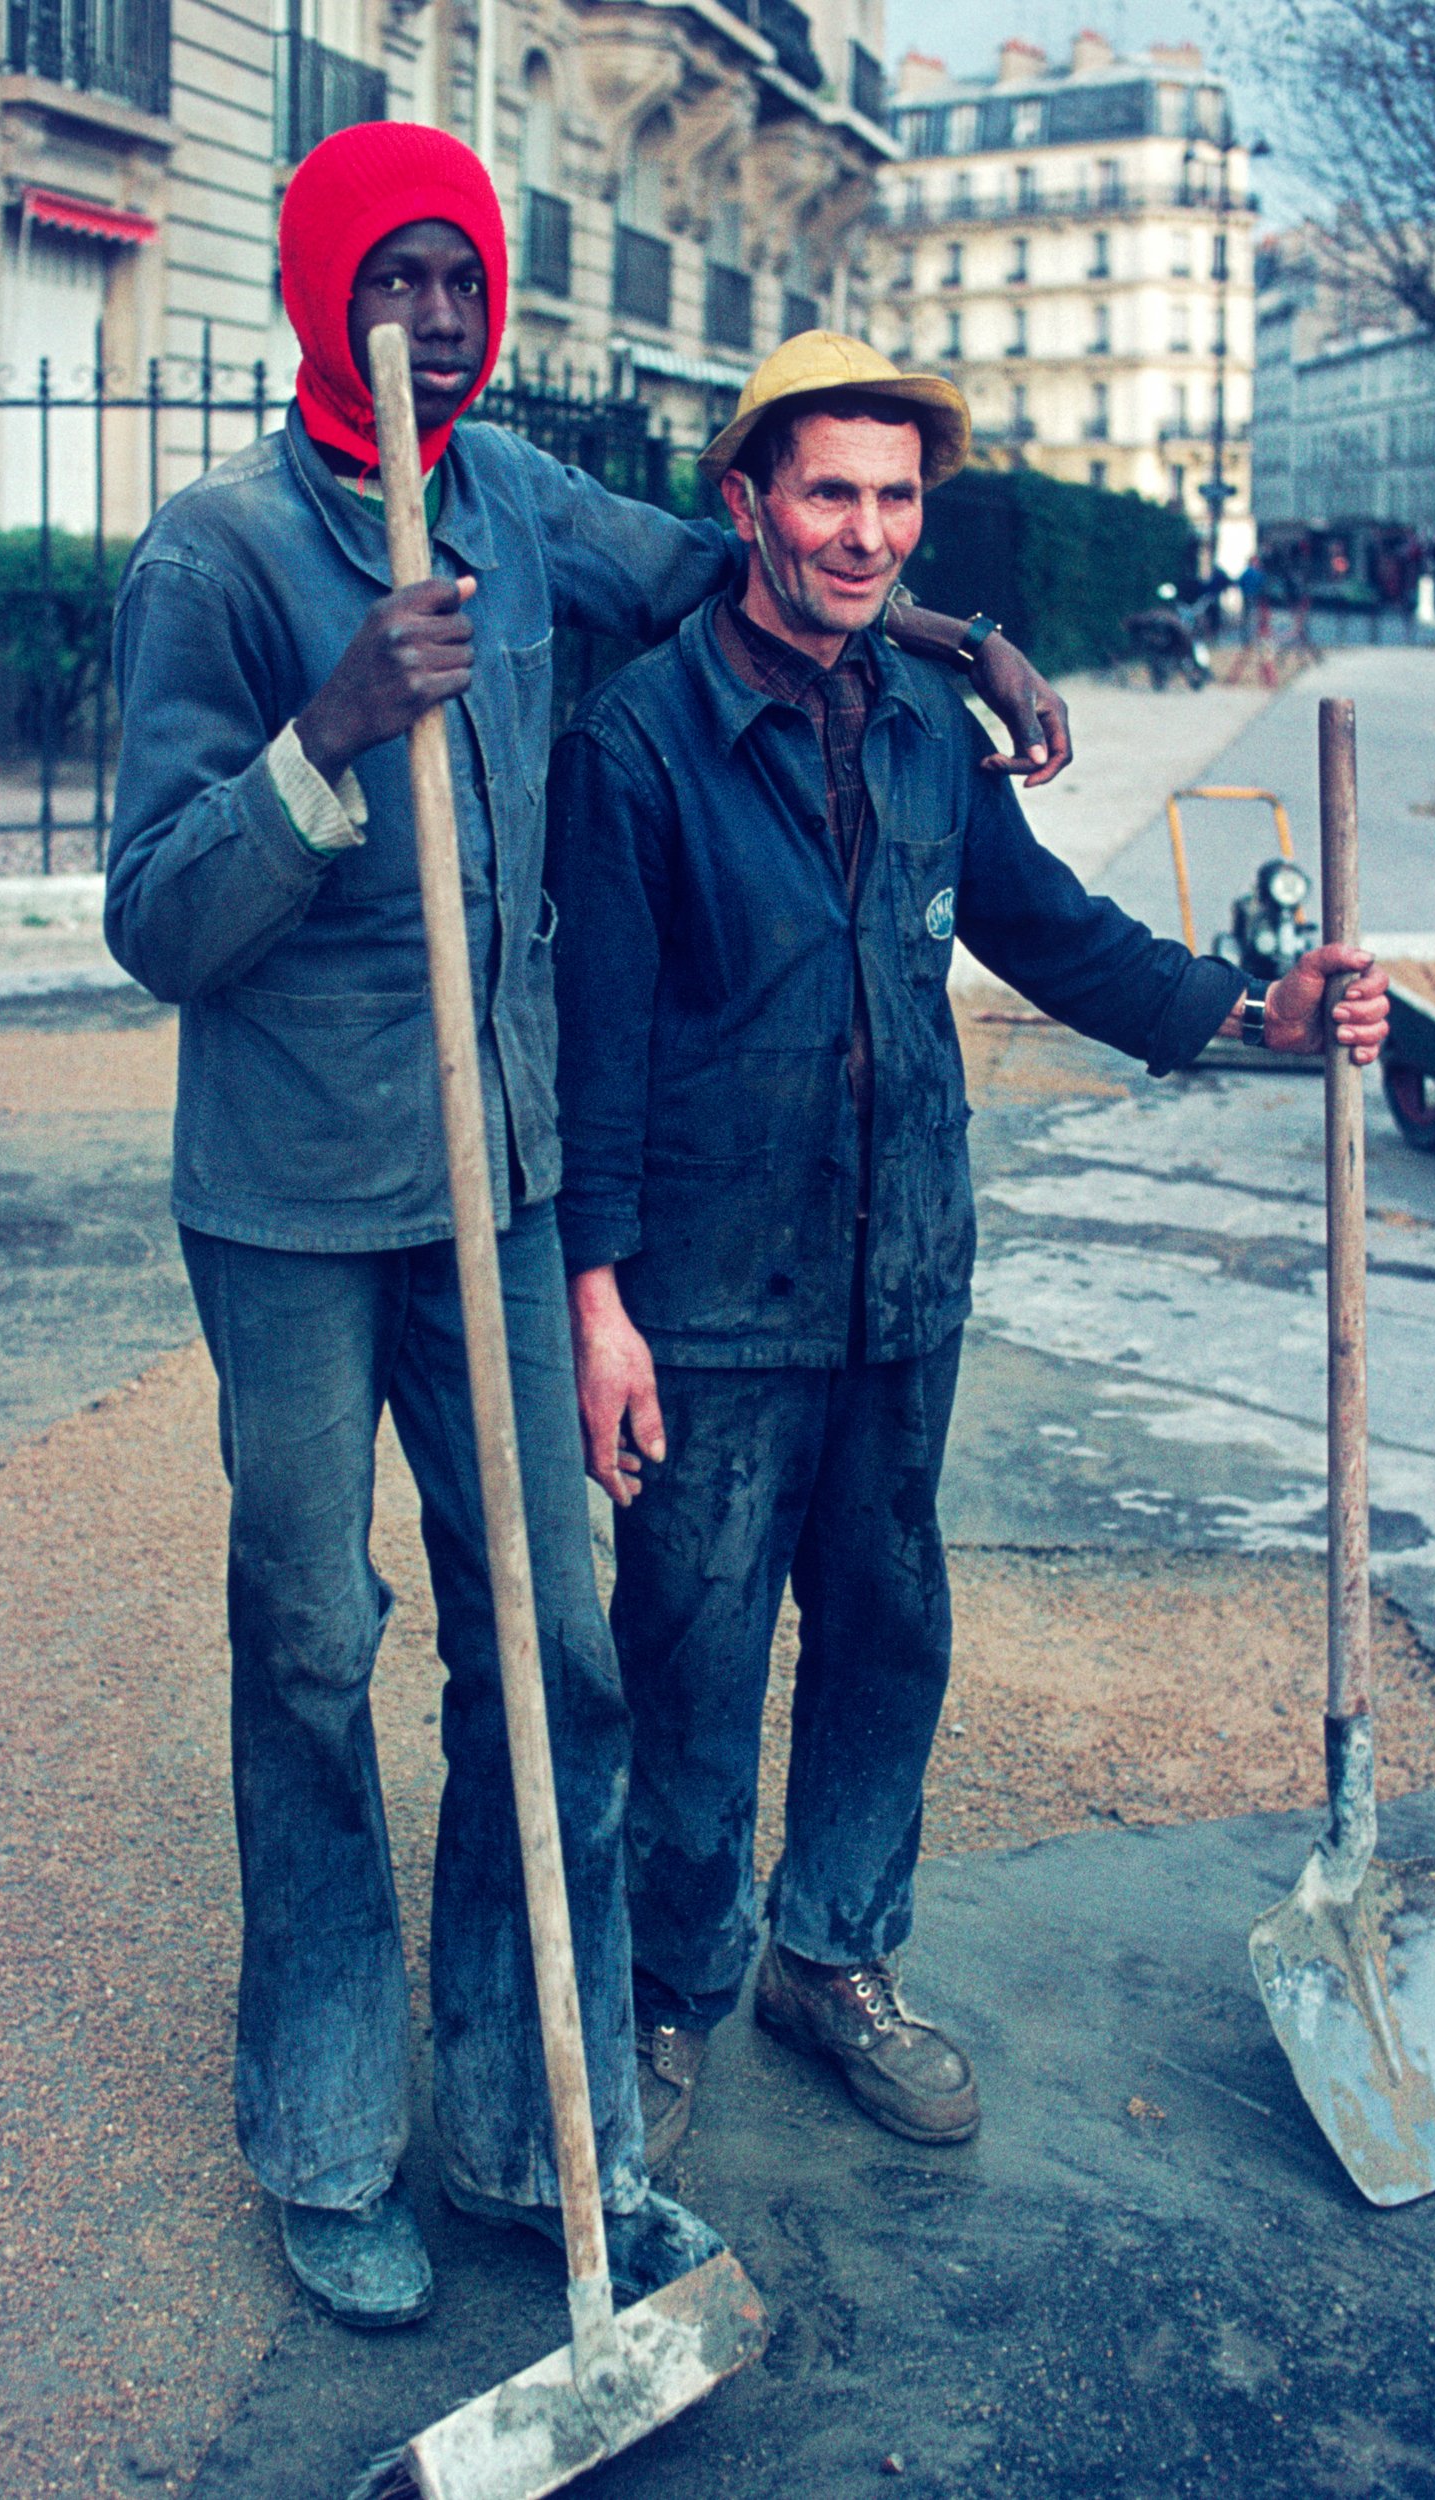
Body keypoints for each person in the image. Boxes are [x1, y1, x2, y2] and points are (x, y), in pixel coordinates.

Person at [102, 130, 1068, 2329]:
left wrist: (956, 632)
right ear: (316, 291)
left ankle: (530, 2128)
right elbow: (158, 918)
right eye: (394, 279)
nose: (430, 323)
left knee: (554, 1649)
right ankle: (328, 2130)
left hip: (504, 1191)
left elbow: (748, 568)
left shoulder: (525, 504)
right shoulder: (219, 558)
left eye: (464, 283)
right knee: (314, 1649)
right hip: (291, 1203)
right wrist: (327, 731)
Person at [547, 334, 1391, 2168]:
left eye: (896, 498)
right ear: (750, 503)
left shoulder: (930, 721)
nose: (864, 534)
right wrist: (597, 1306)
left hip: (899, 1266)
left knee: (886, 1628)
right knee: (687, 1651)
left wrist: (1261, 1003)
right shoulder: (637, 745)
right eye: (832, 493)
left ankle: (833, 1956)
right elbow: (592, 1052)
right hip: (707, 1290)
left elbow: (1051, 932)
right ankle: (674, 1989)